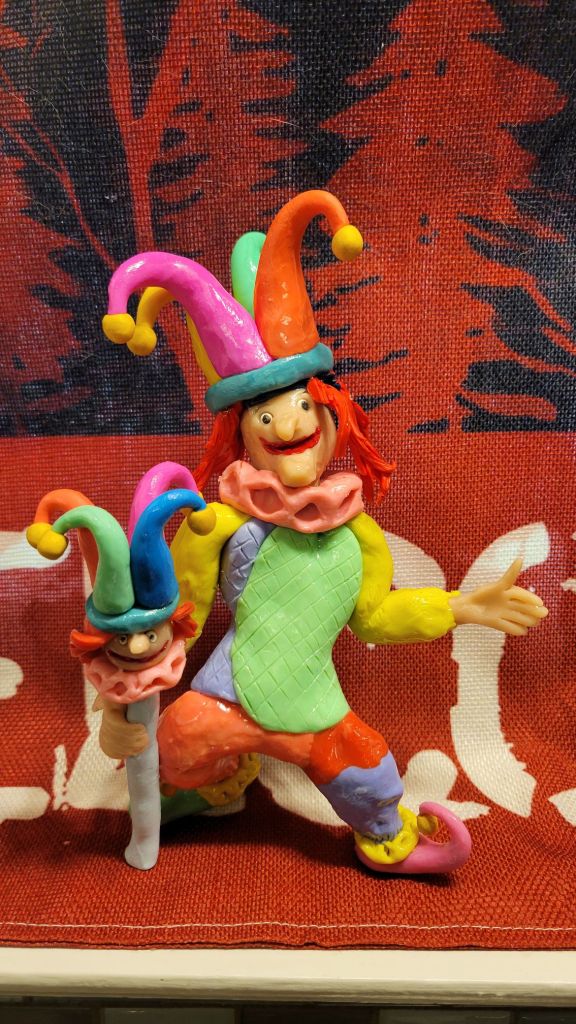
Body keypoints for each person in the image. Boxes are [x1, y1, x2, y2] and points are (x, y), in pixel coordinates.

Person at [100, 191, 547, 873]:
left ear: (334, 414)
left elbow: (374, 617)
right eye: (266, 414)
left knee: (369, 776)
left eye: (304, 405)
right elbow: (178, 616)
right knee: (176, 746)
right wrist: (129, 677)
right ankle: (209, 789)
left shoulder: (358, 535)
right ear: (241, 432)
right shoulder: (216, 523)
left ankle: (389, 841)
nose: (288, 424)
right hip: (222, 699)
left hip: (314, 706)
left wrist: (462, 606)